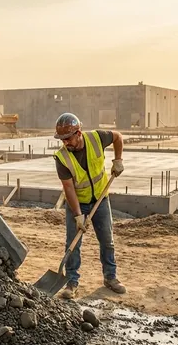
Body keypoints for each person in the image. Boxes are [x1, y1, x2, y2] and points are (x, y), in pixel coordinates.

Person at [53, 113, 126, 299]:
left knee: (107, 241)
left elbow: (117, 137)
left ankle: (110, 277)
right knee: (73, 243)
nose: (65, 143)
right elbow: (68, 187)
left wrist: (118, 160)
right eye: (62, 140)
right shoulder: (61, 158)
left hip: (101, 200)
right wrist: (78, 215)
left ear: (78, 133)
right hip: (77, 202)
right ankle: (71, 282)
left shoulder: (97, 138)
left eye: (68, 139)